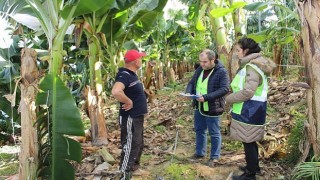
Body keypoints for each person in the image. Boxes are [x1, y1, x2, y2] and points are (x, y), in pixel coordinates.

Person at [225, 37, 276, 180]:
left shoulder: (251, 68)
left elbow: (248, 92)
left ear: (246, 51)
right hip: (250, 110)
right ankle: (253, 167)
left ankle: (250, 174)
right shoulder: (252, 66)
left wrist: (229, 99)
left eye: (238, 50)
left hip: (249, 111)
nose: (235, 53)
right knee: (249, 141)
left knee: (248, 142)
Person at [185, 49, 229, 167]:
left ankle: (214, 157)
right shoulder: (200, 69)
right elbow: (191, 82)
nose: (202, 64)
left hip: (213, 106)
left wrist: (206, 97)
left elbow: (225, 89)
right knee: (199, 130)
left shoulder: (221, 71)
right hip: (199, 106)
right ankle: (200, 153)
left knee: (214, 133)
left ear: (212, 60)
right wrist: (188, 93)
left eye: (205, 62)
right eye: (200, 61)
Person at [112, 49, 148, 179]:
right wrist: (128, 101)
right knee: (130, 143)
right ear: (136, 61)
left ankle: (133, 167)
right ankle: (124, 173)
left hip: (137, 116)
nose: (141, 61)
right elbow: (116, 91)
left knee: (138, 142)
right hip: (130, 117)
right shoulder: (125, 75)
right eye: (141, 59)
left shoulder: (132, 75)